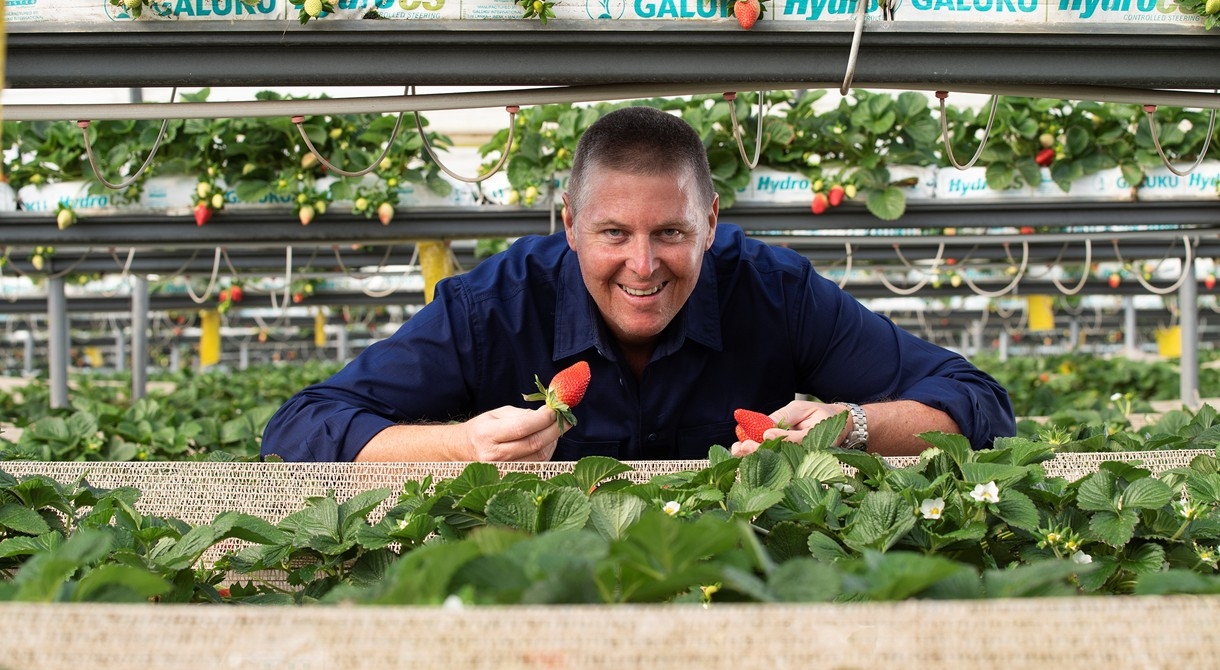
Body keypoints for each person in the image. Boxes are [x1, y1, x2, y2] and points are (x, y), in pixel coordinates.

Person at [261, 105, 1015, 462]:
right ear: (570, 223)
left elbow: (980, 405)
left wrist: (852, 426)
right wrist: (459, 445)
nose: (644, 265)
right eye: (614, 234)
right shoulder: (495, 307)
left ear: (711, 221)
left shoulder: (775, 294)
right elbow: (299, 430)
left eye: (672, 233)